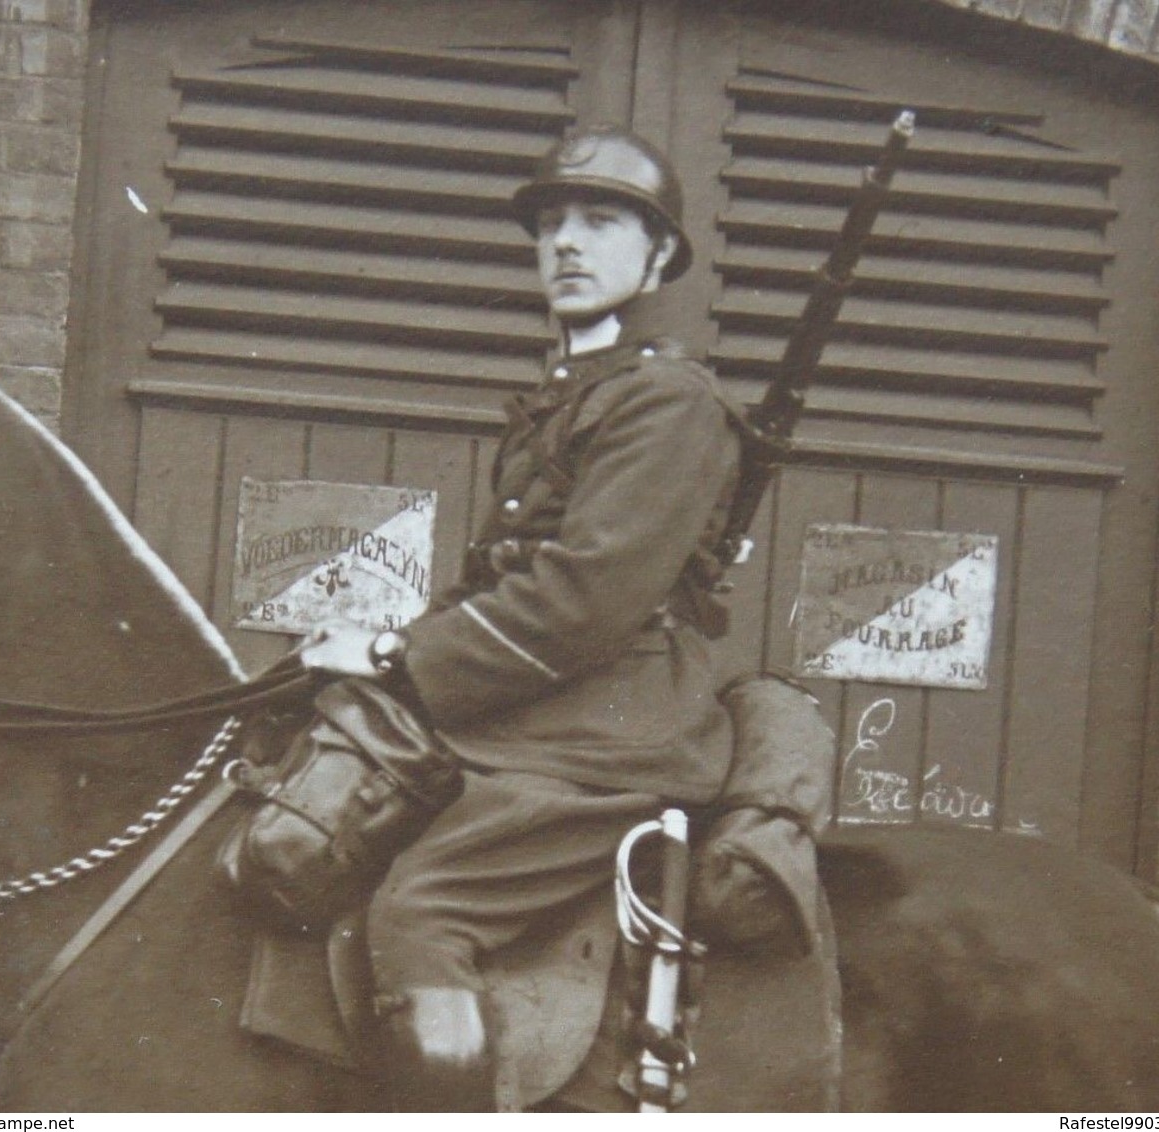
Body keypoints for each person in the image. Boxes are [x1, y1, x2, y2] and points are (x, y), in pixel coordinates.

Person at [301, 124, 747, 1110]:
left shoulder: (668, 402)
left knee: (420, 910)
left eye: (600, 221)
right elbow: (500, 581)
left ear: (660, 254)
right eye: (551, 224)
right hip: (538, 715)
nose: (568, 244)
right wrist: (369, 660)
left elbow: (581, 599)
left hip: (610, 738)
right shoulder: (570, 394)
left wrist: (394, 650)